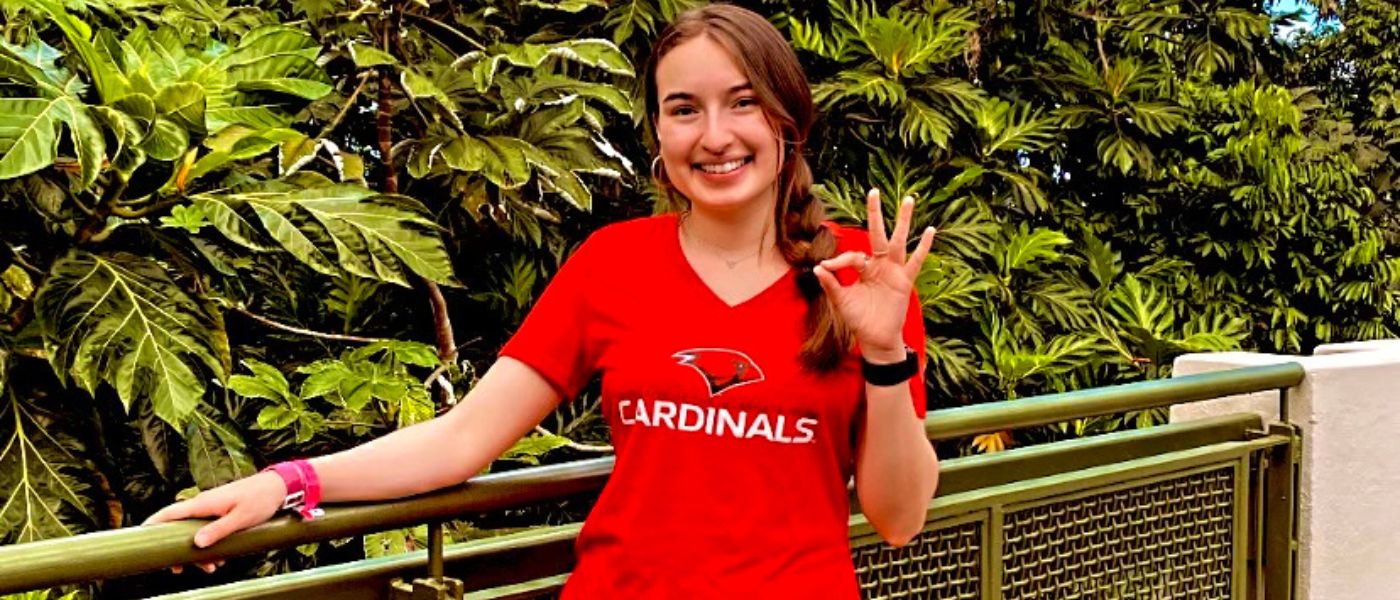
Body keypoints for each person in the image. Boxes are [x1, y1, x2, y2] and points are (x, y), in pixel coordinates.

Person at [147, 4, 940, 597]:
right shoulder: (614, 263)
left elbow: (898, 517)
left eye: (742, 102)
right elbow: (463, 440)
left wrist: (882, 352)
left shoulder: (862, 276)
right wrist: (286, 484)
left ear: (788, 118)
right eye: (684, 109)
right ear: (658, 135)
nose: (716, 134)